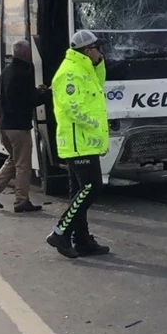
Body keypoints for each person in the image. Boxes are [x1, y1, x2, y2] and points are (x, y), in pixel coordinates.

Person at [45, 29, 111, 259]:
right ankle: (60, 231)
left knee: (79, 191)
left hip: (84, 143)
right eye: (97, 49)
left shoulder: (84, 68)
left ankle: (81, 240)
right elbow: (72, 108)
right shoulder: (69, 73)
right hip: (78, 143)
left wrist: (100, 62)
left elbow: (98, 84)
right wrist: (93, 124)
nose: (100, 52)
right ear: (87, 50)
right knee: (91, 187)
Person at [0, 39, 49, 213]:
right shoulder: (24, 73)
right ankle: (21, 201)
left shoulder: (6, 72)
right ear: (26, 54)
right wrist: (46, 93)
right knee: (23, 165)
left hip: (4, 126)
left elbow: (16, 96)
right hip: (19, 128)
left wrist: (36, 91)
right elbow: (30, 100)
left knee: (14, 159)